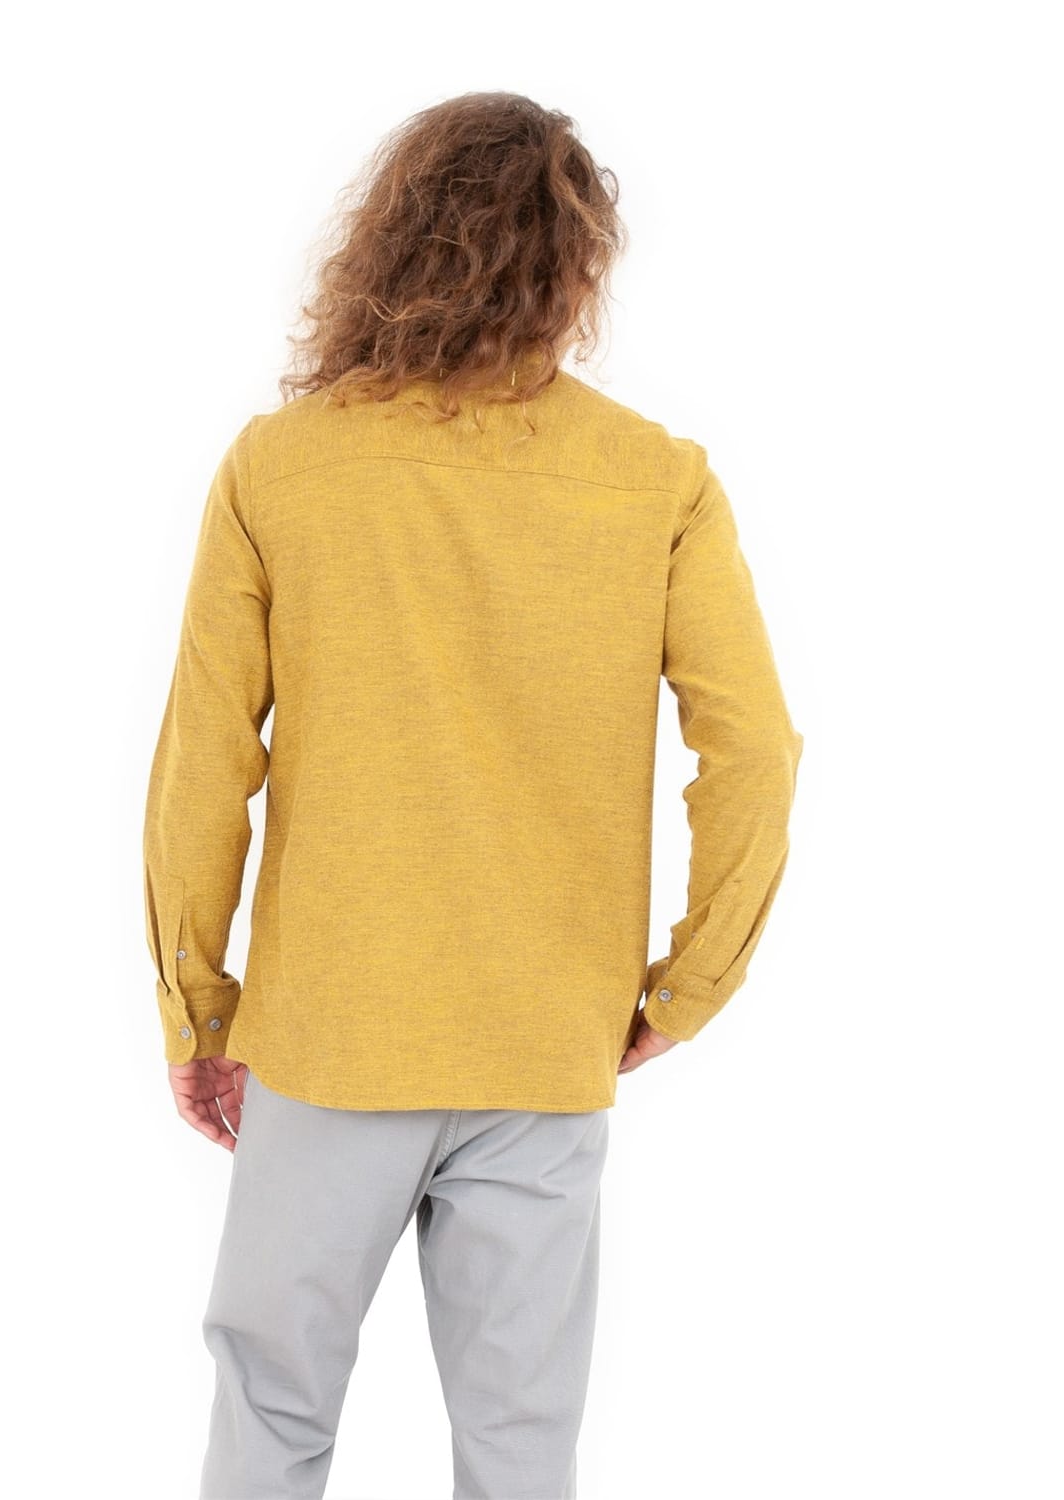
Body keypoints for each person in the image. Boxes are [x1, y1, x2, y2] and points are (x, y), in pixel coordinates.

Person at [141, 90, 804, 1500]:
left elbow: (206, 762)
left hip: (331, 1035)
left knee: (271, 1414)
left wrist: (198, 1008)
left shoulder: (282, 466)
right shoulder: (657, 482)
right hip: (545, 1044)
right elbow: (756, 749)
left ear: (390, 238)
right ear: (577, 264)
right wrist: (687, 987)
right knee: (520, 1446)